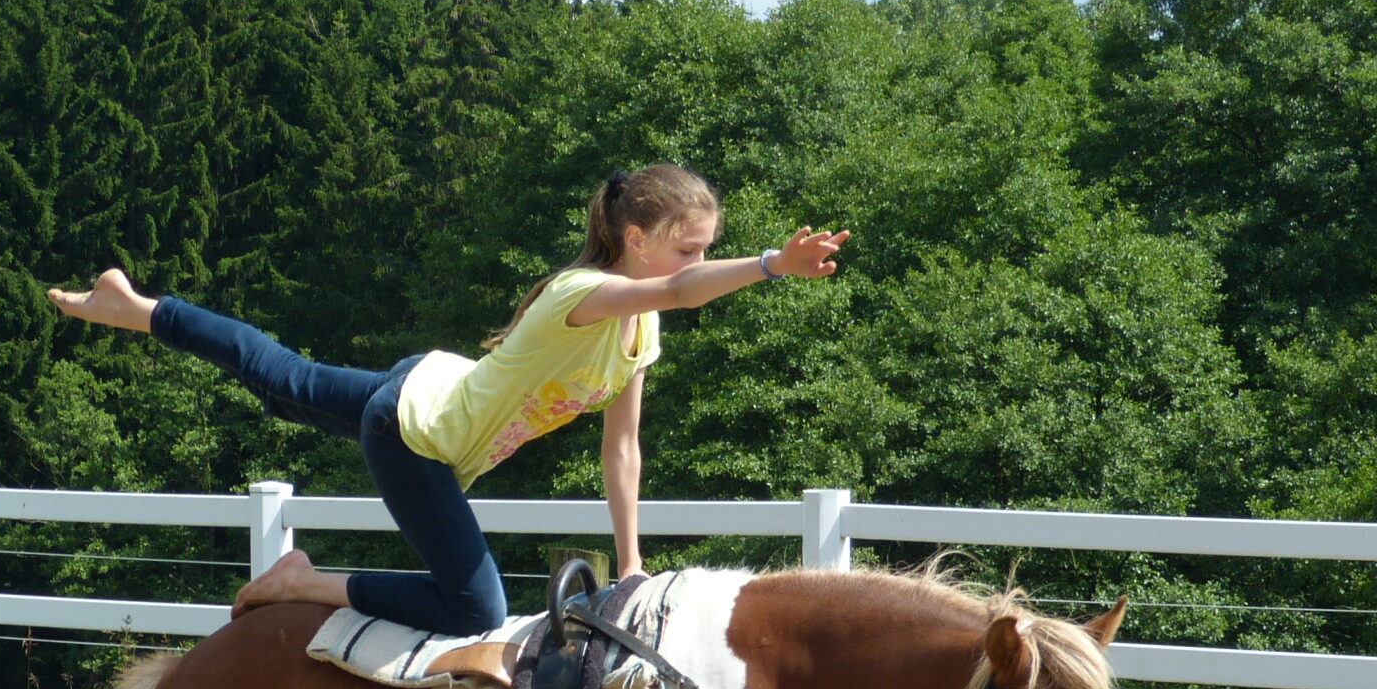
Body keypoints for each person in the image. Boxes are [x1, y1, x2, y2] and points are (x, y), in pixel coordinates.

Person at [47, 164, 848, 636]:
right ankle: (299, 581)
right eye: (689, 245)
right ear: (634, 239)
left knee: (282, 376)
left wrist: (633, 564)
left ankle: (139, 308)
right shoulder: (584, 292)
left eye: (710, 247)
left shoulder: (639, 336)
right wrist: (772, 262)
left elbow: (623, 451)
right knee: (475, 609)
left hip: (425, 385)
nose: (699, 260)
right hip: (414, 435)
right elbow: (677, 290)